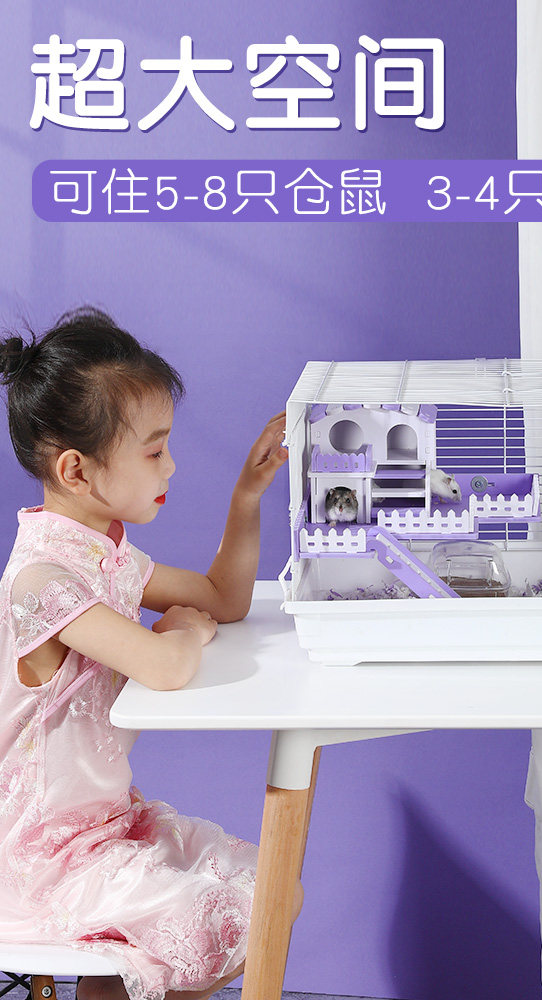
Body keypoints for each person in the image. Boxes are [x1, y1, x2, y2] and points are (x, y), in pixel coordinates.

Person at [0, 307, 298, 1000]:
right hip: (41, 856)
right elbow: (166, 667)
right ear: (77, 470)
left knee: (274, 888)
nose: (171, 465)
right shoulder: (43, 581)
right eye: (153, 451)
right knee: (221, 915)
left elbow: (222, 597)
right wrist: (181, 632)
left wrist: (247, 496)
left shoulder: (105, 556)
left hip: (104, 826)